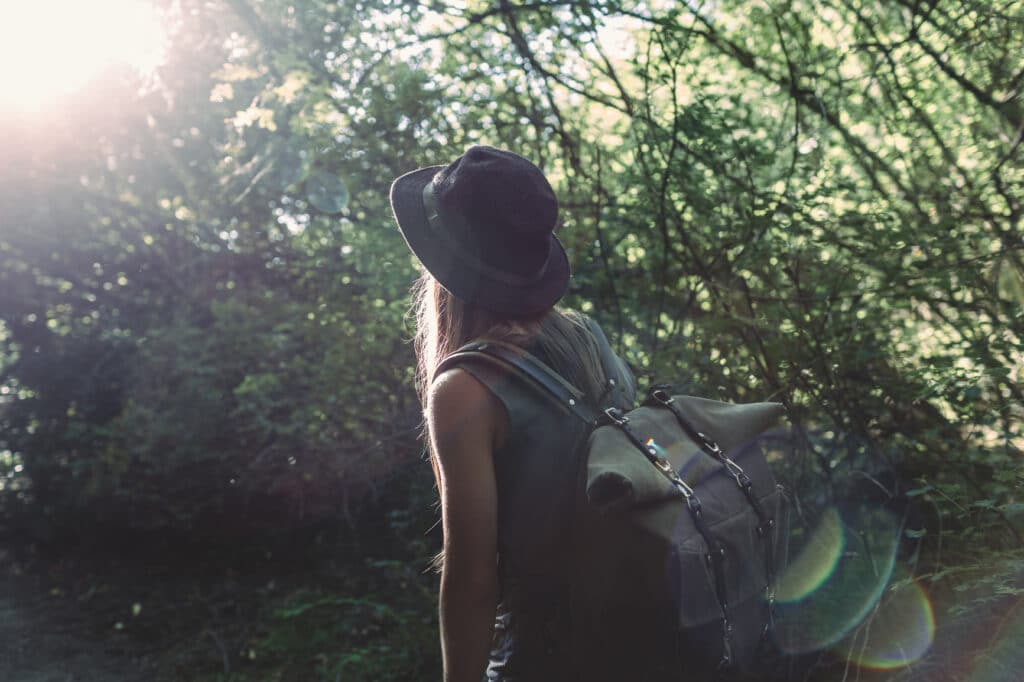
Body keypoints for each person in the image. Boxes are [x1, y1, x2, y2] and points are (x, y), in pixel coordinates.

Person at [390, 145, 636, 682]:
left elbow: (474, 577)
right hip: (638, 638)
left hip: (547, 657)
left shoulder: (464, 389)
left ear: (445, 268)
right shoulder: (586, 339)